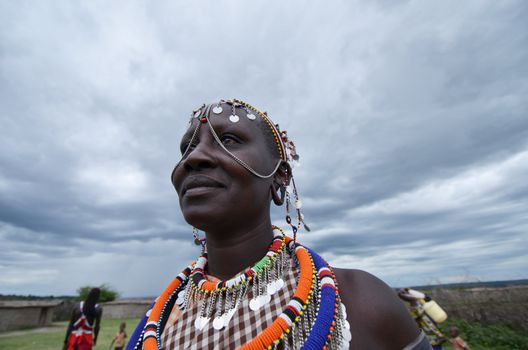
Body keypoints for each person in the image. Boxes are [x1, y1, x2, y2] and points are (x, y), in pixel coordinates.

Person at [128, 99, 431, 349]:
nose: (194, 157)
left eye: (229, 140)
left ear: (280, 177)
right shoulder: (155, 323)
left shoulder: (363, 302)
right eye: (187, 148)